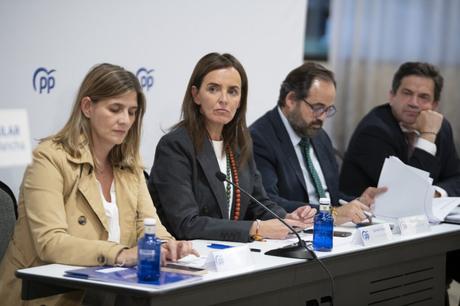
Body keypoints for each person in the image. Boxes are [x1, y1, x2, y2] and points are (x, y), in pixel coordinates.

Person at [0, 63, 197, 306]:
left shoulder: (130, 165)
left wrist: (168, 247)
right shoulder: (48, 159)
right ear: (87, 107)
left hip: (111, 292)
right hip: (49, 296)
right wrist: (121, 254)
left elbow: (149, 227)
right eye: (115, 109)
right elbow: (50, 243)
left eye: (132, 112)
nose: (125, 120)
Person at [148, 53, 316, 242]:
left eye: (233, 91)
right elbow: (186, 224)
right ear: (195, 95)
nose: (224, 99)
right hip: (190, 256)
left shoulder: (239, 144)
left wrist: (285, 217)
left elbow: (259, 202)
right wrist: (255, 228)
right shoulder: (175, 146)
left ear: (240, 100)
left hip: (231, 256)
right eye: (213, 89)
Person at [338, 61, 460, 295]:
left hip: (423, 233)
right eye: (407, 93)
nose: (414, 102)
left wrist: (435, 193)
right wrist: (427, 135)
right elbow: (404, 195)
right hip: (368, 238)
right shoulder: (374, 130)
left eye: (423, 97)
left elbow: (456, 177)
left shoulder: (441, 128)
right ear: (392, 95)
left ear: (434, 105)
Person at [250, 62, 386, 225]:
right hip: (294, 233)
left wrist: (358, 202)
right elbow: (267, 202)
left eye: (328, 110)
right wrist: (331, 213)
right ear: (291, 100)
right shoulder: (259, 139)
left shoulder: (318, 135)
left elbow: (329, 196)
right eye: (317, 107)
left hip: (329, 230)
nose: (322, 118)